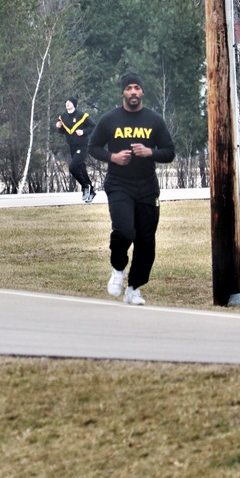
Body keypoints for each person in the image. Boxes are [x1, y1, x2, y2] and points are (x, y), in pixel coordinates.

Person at [88, 72, 175, 306]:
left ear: (143, 92)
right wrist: (112, 157)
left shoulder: (154, 120)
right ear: (123, 93)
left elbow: (169, 152)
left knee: (146, 241)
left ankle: (134, 288)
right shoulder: (109, 119)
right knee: (124, 231)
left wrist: (151, 152)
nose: (133, 92)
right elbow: (93, 147)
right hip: (119, 185)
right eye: (129, 88)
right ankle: (118, 269)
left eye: (137, 88)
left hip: (147, 188)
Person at [56, 97, 97, 203]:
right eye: (66, 102)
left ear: (74, 104)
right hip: (72, 146)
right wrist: (59, 127)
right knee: (81, 168)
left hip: (82, 145)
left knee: (73, 167)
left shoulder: (82, 115)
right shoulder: (63, 117)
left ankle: (85, 186)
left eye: (69, 102)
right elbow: (63, 132)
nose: (67, 103)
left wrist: (83, 132)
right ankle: (91, 191)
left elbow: (93, 127)